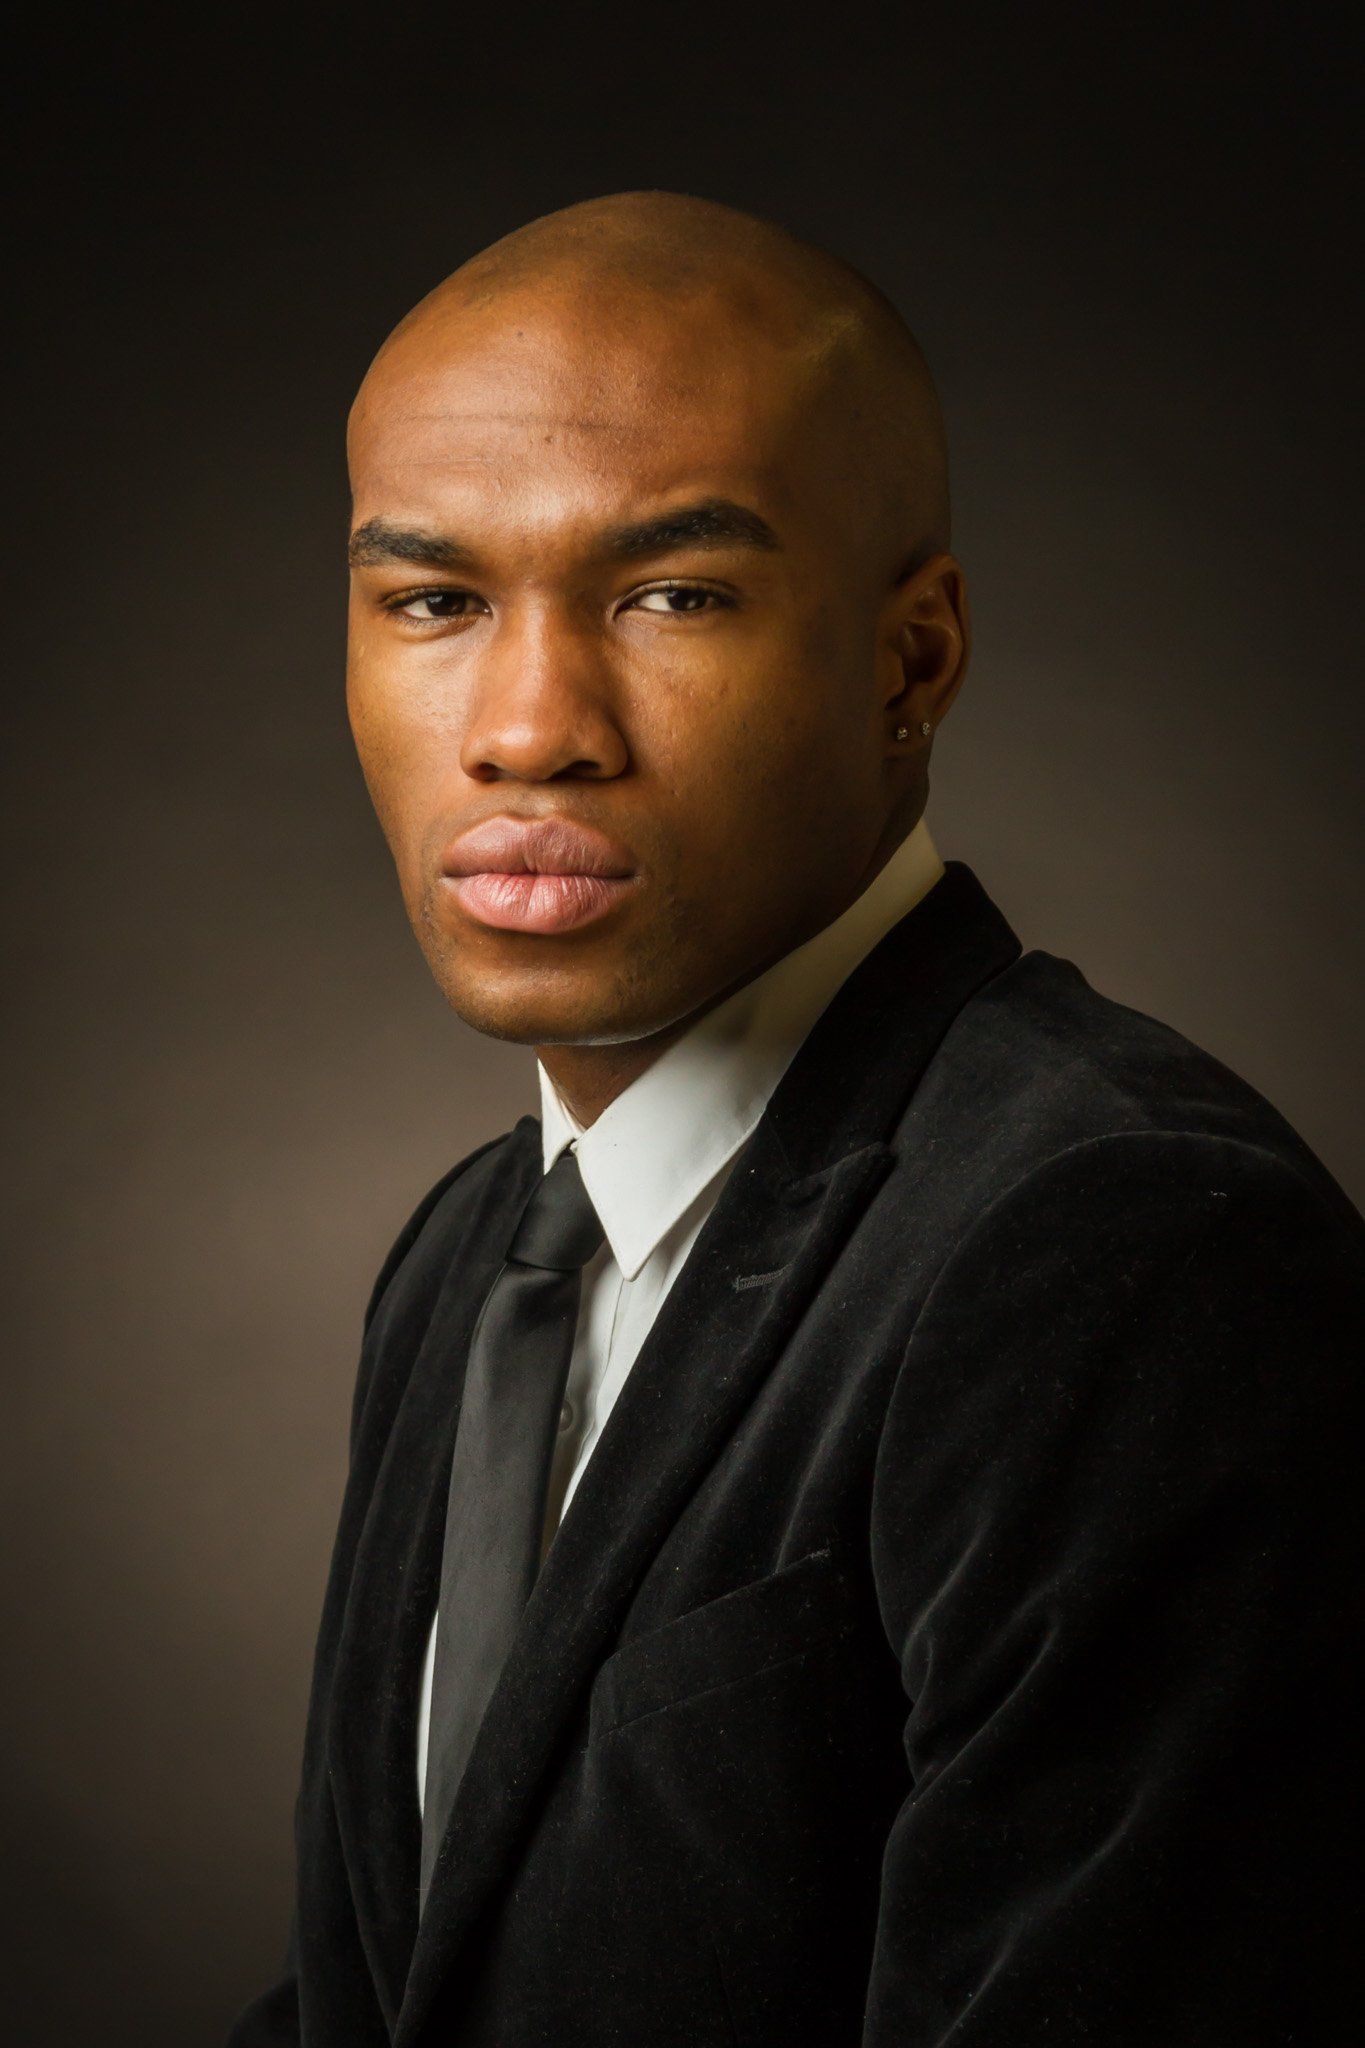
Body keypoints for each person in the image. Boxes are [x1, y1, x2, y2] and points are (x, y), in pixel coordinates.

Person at [227, 191, 1362, 2047]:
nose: (526, 727)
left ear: (909, 664)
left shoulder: (1123, 1245)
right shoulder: (462, 1259)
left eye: (670, 594)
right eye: (433, 601)